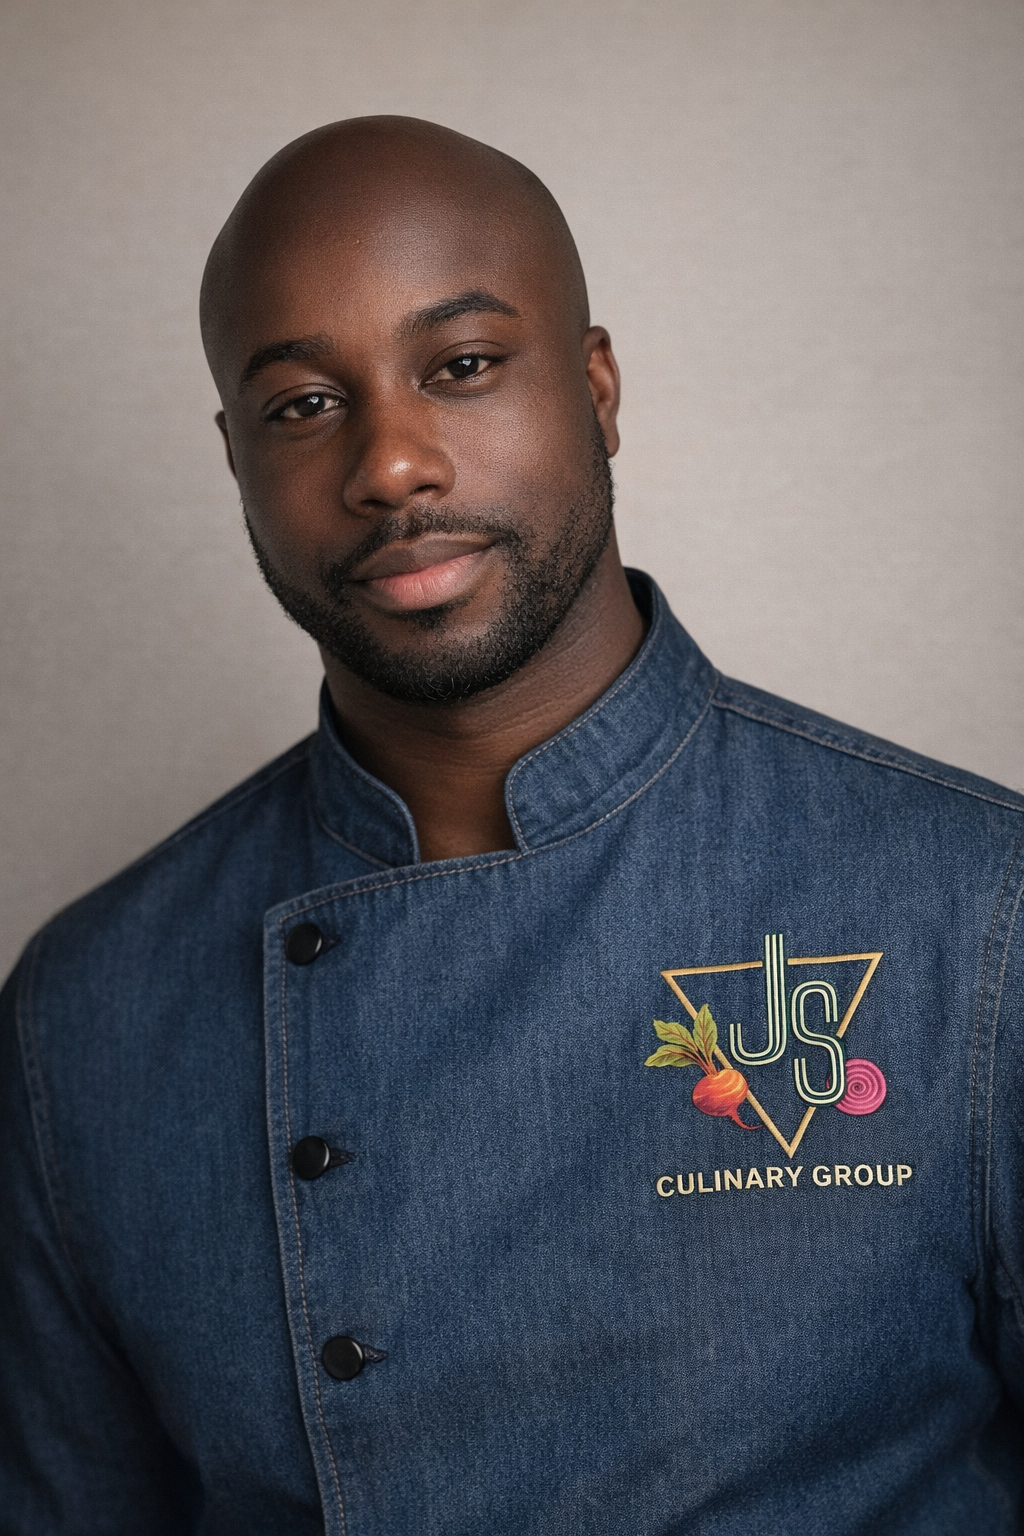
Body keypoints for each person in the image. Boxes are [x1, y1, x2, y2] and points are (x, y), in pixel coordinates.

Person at [1, 116, 1022, 1536]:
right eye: (304, 404)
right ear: (235, 457)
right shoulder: (87, 1011)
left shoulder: (974, 910)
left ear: (597, 389)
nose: (394, 465)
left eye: (463, 367)